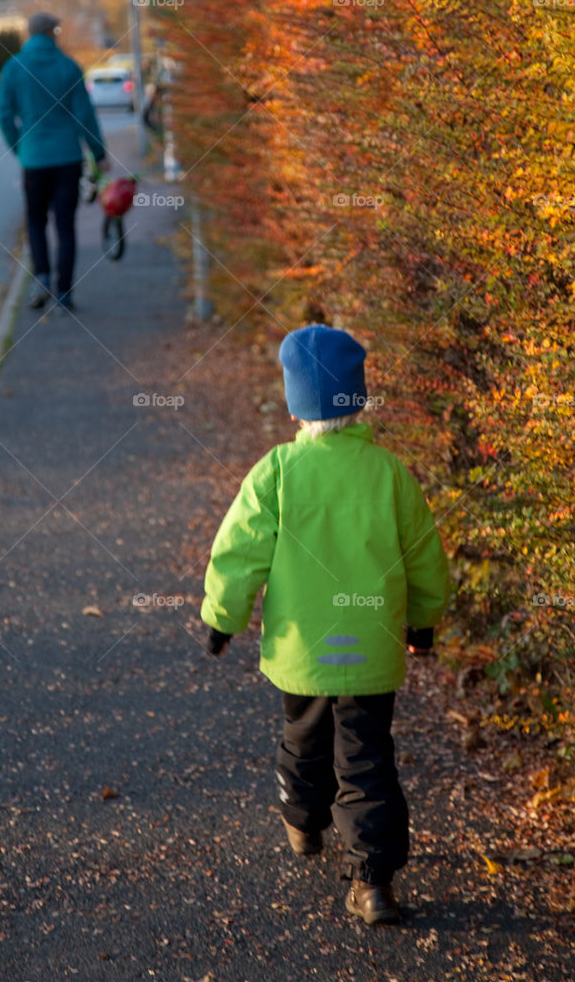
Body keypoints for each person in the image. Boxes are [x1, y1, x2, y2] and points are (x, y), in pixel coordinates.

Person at [200, 324, 450, 925]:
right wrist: (422, 623)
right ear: (357, 399)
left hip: (301, 650)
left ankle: (302, 823)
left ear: (294, 403)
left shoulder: (278, 472)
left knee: (302, 739)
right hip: (371, 650)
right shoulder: (389, 474)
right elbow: (423, 556)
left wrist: (221, 618)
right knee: (366, 758)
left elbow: (239, 553)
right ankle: (373, 885)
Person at [0, 12, 108, 311]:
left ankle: (42, 276)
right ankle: (64, 292)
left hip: (33, 159)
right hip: (68, 157)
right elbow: (85, 115)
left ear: (29, 34)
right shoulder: (68, 67)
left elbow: (4, 116)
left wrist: (20, 148)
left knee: (35, 221)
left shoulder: (14, 67)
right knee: (65, 225)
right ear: (52, 33)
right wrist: (98, 153)